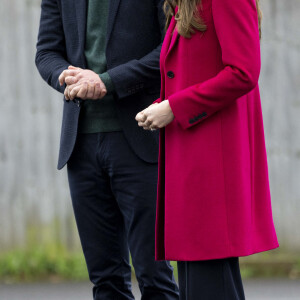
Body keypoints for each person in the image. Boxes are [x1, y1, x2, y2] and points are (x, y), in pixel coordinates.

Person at [35, 0, 180, 299]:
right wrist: (65, 75)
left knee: (155, 277)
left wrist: (108, 81)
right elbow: (47, 52)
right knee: (106, 280)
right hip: (81, 145)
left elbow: (171, 49)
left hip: (141, 138)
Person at [136, 0, 279, 298]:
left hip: (213, 170)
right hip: (192, 165)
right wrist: (163, 105)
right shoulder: (185, 4)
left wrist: (175, 107)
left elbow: (244, 71)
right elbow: (191, 71)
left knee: (210, 285)